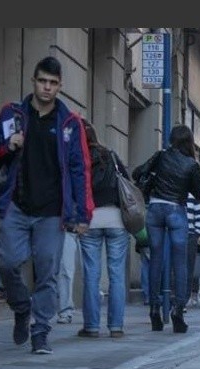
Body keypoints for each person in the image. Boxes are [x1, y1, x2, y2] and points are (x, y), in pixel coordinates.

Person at [0, 56, 93, 355]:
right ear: (34, 81)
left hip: (52, 212)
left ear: (60, 86)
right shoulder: (13, 114)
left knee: (48, 271)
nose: (46, 88)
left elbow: (80, 169)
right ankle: (22, 307)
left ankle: (41, 331)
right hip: (16, 205)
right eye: (42, 81)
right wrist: (7, 146)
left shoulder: (70, 123)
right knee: (7, 263)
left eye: (52, 83)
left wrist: (83, 214)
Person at [133, 124, 200, 333]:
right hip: (176, 210)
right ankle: (178, 311)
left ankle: (154, 309)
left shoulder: (160, 156)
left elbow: (138, 173)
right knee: (180, 262)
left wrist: (155, 179)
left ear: (172, 139)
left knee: (156, 259)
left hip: (155, 209)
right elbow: (199, 193)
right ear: (189, 141)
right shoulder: (191, 164)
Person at [77, 119, 130, 338]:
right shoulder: (111, 155)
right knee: (117, 275)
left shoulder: (78, 158)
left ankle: (91, 326)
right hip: (116, 219)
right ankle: (116, 327)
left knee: (91, 274)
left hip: (91, 219)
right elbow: (127, 182)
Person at [55, 230, 79, 324]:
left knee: (65, 270)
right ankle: (65, 311)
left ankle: (66, 311)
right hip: (65, 227)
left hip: (70, 227)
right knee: (64, 271)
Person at [185, 192, 200, 308]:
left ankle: (183, 300)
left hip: (190, 237)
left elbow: (199, 218)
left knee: (188, 269)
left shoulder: (193, 198)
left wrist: (196, 235)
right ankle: (175, 299)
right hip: (176, 235)